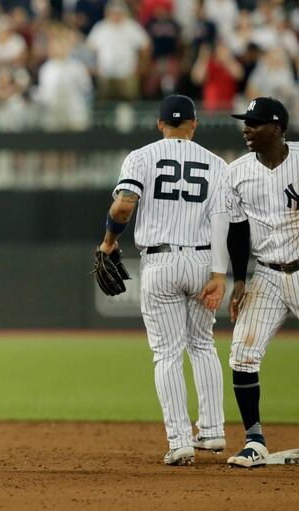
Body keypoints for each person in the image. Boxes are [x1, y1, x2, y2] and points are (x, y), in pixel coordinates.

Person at [96, 95, 229, 466]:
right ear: (194, 124)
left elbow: (124, 205)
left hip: (160, 260)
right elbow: (223, 222)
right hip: (203, 258)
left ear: (159, 124)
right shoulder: (217, 164)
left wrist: (109, 242)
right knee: (203, 344)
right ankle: (214, 431)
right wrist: (220, 274)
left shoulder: (141, 156)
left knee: (167, 352)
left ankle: (180, 440)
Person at [225, 97, 295, 468]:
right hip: (266, 273)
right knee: (242, 355)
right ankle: (254, 440)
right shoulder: (237, 172)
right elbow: (237, 231)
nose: (247, 128)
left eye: (255, 122)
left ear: (278, 128)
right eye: (245, 122)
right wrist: (239, 279)